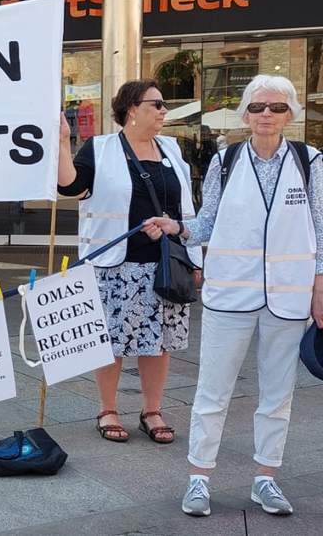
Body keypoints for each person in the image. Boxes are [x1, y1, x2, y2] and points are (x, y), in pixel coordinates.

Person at [146, 74, 323, 517]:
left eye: (277, 107)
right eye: (258, 107)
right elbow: (207, 223)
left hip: (289, 296)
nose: (266, 114)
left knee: (278, 394)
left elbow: (321, 229)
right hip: (230, 295)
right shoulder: (225, 161)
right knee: (212, 390)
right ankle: (198, 478)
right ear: (245, 114)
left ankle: (266, 478)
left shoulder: (309, 161)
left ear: (290, 114)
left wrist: (320, 285)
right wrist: (177, 227)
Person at [58, 79, 203, 445]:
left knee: (160, 342)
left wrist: (195, 256)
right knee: (111, 341)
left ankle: (152, 410)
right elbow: (72, 188)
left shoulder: (171, 149)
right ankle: (107, 409)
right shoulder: (101, 148)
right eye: (157, 104)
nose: (164, 111)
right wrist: (61, 144)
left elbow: (185, 207)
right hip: (115, 264)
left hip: (166, 261)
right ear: (132, 109)